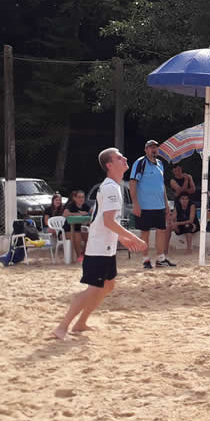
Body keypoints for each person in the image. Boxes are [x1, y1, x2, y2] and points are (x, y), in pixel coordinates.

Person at [52, 148, 146, 340]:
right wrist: (134, 237)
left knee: (108, 285)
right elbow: (108, 221)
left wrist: (122, 238)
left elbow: (105, 220)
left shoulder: (112, 186)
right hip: (99, 248)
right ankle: (61, 328)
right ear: (110, 165)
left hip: (106, 247)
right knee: (92, 289)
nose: (125, 158)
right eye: (119, 157)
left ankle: (80, 323)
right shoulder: (111, 188)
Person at [128, 139, 175, 269]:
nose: (153, 149)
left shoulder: (160, 164)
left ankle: (160, 259)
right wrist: (135, 204)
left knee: (162, 231)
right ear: (146, 150)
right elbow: (133, 182)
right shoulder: (140, 163)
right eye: (150, 147)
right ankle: (145, 260)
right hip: (144, 205)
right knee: (145, 232)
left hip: (159, 205)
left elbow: (162, 186)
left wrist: (166, 204)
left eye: (155, 147)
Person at [61, 189, 91, 261]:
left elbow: (92, 212)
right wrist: (79, 214)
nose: (81, 199)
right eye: (79, 197)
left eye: (83, 197)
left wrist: (88, 214)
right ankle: (79, 256)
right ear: (74, 198)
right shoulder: (71, 205)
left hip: (79, 229)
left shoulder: (85, 205)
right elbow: (65, 214)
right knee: (77, 236)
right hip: (68, 229)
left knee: (90, 237)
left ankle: (84, 254)